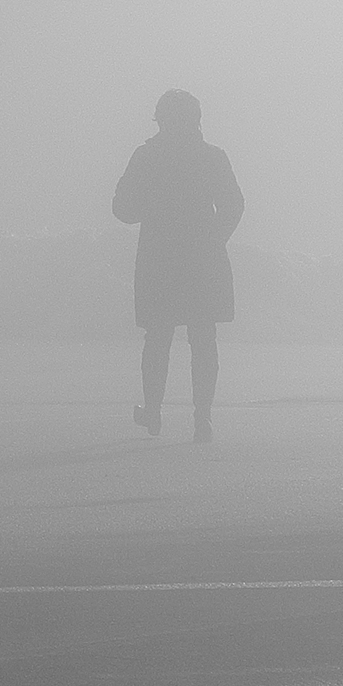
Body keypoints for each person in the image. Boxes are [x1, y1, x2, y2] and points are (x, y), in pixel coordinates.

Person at [112, 89, 244, 440]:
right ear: (196, 120)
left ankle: (153, 413)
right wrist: (213, 241)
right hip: (203, 262)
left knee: (157, 338)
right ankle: (203, 418)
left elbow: (122, 209)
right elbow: (233, 206)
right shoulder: (213, 158)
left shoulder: (146, 157)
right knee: (204, 340)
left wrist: (152, 206)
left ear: (161, 120)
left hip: (159, 262)